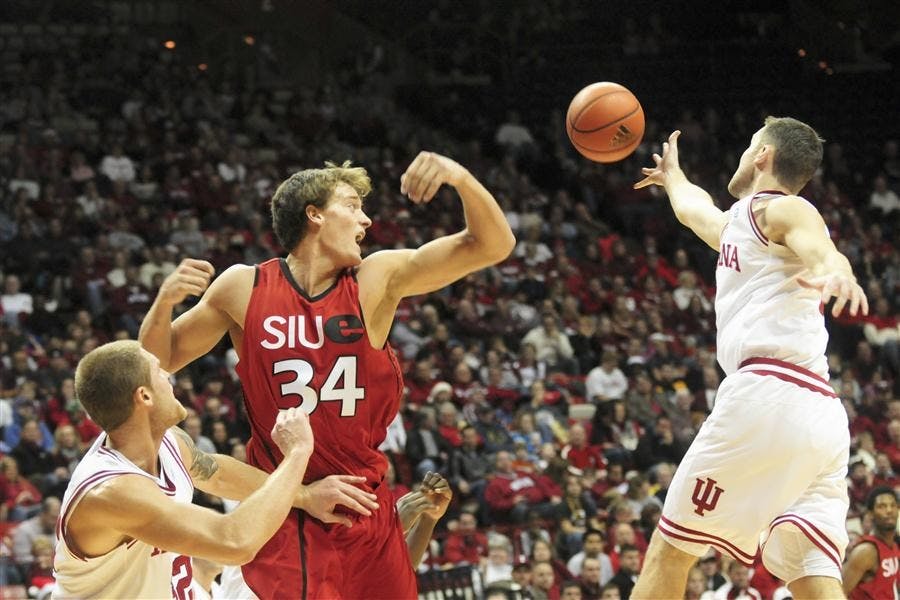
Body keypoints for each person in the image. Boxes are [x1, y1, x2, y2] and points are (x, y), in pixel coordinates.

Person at [139, 152, 515, 598]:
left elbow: (491, 245)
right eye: (352, 206)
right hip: (283, 508)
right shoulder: (243, 287)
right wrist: (163, 303)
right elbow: (154, 363)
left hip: (362, 505)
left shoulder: (375, 279)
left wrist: (461, 177)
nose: (366, 220)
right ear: (314, 214)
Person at [630, 120, 868, 599]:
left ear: (762, 154)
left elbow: (822, 249)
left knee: (669, 551)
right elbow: (695, 210)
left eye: (748, 146)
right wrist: (673, 177)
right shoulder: (740, 225)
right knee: (812, 574)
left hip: (768, 394)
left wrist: (837, 272)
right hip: (820, 418)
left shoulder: (784, 208)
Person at [51, 340, 318, 598]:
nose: (168, 375)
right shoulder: (112, 491)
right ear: (144, 396)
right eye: (159, 371)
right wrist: (297, 454)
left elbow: (217, 474)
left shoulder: (167, 440)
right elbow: (235, 543)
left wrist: (305, 496)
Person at [842, 486, 900, 598]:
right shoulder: (866, 551)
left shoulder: (893, 547)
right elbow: (839, 592)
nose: (889, 510)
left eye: (893, 505)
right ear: (870, 514)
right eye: (882, 506)